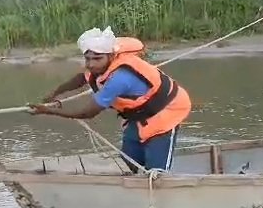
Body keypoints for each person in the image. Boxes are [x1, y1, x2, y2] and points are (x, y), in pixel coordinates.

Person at [28, 26, 192, 173]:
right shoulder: (101, 67)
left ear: (111, 56)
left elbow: (88, 112)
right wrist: (56, 92)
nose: (91, 64)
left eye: (97, 59)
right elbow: (82, 78)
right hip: (137, 117)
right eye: (88, 59)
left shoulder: (120, 79)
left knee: (156, 173)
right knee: (128, 164)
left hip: (165, 113)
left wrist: (48, 110)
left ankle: (158, 199)